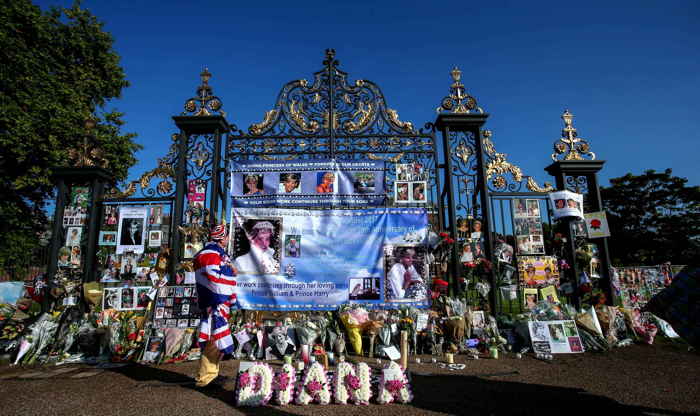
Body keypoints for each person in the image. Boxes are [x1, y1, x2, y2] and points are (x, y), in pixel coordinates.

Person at [194, 223, 237, 388]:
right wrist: (232, 274)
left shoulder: (213, 253)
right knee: (213, 338)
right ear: (221, 237)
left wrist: (230, 270)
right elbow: (215, 279)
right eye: (227, 236)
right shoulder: (210, 254)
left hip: (216, 300)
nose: (228, 239)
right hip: (214, 302)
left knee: (215, 339)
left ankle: (211, 373)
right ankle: (205, 378)